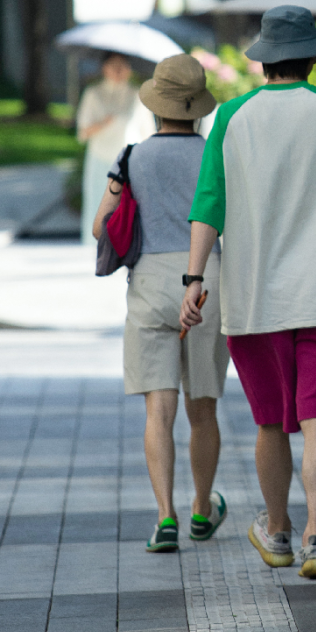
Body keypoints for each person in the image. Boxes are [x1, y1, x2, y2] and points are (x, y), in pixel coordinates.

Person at [179, 4, 316, 580]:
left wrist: (194, 281)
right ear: (314, 58)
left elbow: (208, 204)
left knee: (272, 422)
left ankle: (277, 533)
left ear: (263, 59)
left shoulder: (232, 116)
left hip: (255, 296)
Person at [93, 53, 228, 553]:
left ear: (156, 106)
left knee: (159, 411)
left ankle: (165, 516)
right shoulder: (215, 154)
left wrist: (116, 185)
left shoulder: (131, 157)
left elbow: (99, 227)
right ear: (197, 109)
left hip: (149, 284)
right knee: (204, 410)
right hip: (207, 281)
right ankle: (201, 509)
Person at [77, 52, 146, 245]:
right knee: (99, 203)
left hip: (129, 159)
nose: (118, 70)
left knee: (129, 205)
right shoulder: (94, 93)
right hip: (101, 156)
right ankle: (98, 246)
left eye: (123, 65)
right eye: (113, 65)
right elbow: (82, 132)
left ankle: (129, 246)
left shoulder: (137, 94)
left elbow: (146, 131)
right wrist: (103, 123)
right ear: (104, 68)